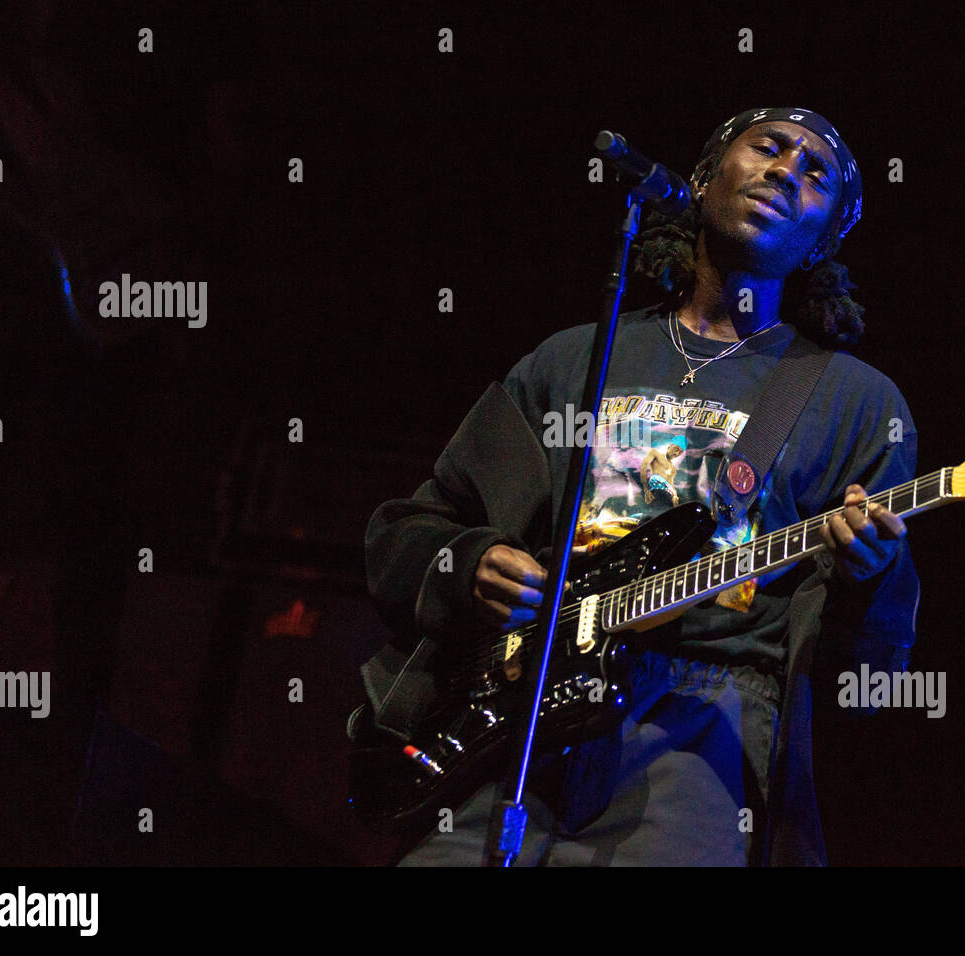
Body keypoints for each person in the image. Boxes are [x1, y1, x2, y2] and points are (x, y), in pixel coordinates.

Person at [363, 107, 920, 865]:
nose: (788, 169)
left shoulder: (856, 402)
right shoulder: (574, 358)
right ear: (700, 179)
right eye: (769, 148)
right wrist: (475, 564)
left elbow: (868, 675)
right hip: (522, 709)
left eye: (816, 172)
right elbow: (409, 528)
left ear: (824, 240)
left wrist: (871, 575)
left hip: (702, 729)